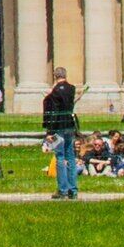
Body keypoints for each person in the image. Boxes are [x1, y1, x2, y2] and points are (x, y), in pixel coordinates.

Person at [43, 65, 82, 200]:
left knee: (60, 157)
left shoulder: (54, 92)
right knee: (70, 156)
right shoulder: (72, 89)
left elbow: (52, 112)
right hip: (70, 126)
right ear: (65, 75)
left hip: (58, 126)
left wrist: (49, 131)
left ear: (55, 76)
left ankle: (62, 189)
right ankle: (73, 189)